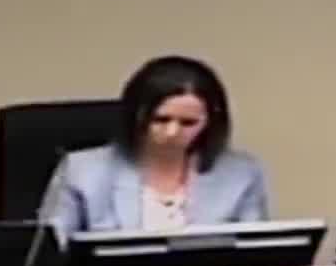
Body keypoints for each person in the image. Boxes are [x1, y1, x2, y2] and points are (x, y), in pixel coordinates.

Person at [39, 55, 271, 238]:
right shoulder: (82, 171)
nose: (172, 132)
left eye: (188, 123)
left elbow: (256, 258)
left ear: (211, 121)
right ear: (136, 114)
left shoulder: (241, 174)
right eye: (161, 120)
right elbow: (50, 258)